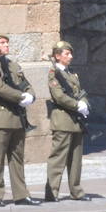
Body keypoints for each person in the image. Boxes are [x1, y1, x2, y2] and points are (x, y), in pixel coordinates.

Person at [0, 33, 41, 207]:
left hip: (16, 117)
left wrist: (30, 94)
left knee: (17, 158)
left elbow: (26, 83)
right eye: (2, 43)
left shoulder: (13, 65)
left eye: (7, 43)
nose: (6, 45)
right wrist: (20, 96)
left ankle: (21, 194)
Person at [46, 40, 90, 201]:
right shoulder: (54, 73)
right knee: (58, 158)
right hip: (63, 120)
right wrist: (76, 105)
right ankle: (52, 192)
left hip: (76, 122)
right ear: (57, 56)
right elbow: (58, 96)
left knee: (76, 159)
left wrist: (84, 103)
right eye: (66, 53)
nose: (70, 56)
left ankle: (76, 191)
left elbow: (80, 92)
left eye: (70, 53)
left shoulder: (71, 73)